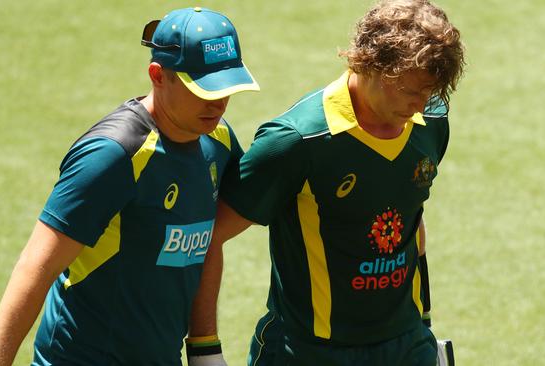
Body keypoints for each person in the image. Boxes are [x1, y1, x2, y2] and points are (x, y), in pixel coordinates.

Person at [188, 0, 465, 365]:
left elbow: (411, 211)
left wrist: (424, 324)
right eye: (411, 91)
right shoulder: (295, 142)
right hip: (308, 352)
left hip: (406, 346)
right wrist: (204, 349)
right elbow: (206, 237)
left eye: (430, 92)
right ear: (370, 65)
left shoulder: (430, 121)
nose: (421, 105)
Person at [0, 7, 259, 366]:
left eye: (225, 87)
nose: (218, 102)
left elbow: (206, 239)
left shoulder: (217, 140)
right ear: (158, 75)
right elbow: (37, 266)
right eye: (201, 88)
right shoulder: (113, 155)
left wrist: (204, 348)